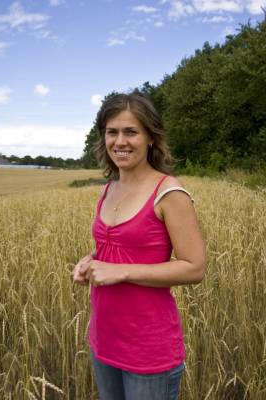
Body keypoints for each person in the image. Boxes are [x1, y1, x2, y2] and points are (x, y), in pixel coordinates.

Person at [70, 92, 208, 399]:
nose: (120, 141)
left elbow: (194, 267)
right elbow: (113, 249)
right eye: (112, 132)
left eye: (131, 132)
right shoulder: (108, 189)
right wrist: (89, 261)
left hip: (148, 349)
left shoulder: (169, 193)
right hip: (104, 340)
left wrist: (120, 272)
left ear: (151, 138)